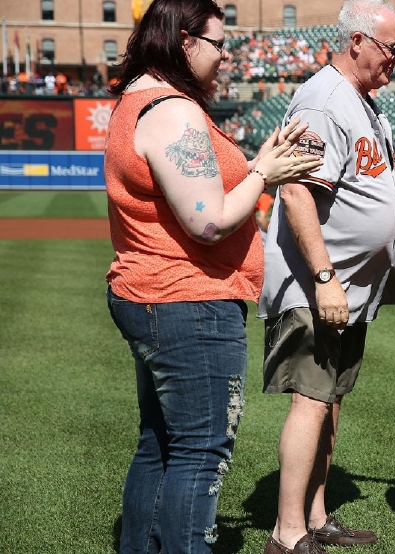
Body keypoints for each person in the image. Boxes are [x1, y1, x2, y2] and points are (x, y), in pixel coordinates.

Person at [103, 0, 322, 552]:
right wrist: (265, 173)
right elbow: (208, 221)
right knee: (201, 449)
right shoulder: (172, 109)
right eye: (219, 43)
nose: (227, 56)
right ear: (184, 41)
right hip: (187, 300)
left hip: (156, 294)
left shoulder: (139, 98)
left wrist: (259, 161)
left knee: (161, 444)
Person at [257, 1, 395, 553]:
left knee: (330, 398)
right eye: (392, 48)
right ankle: (287, 535)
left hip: (349, 286)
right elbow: (296, 190)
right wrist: (326, 276)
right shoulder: (325, 100)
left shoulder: (362, 102)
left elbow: (371, 194)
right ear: (357, 41)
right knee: (311, 398)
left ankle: (315, 515)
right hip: (318, 284)